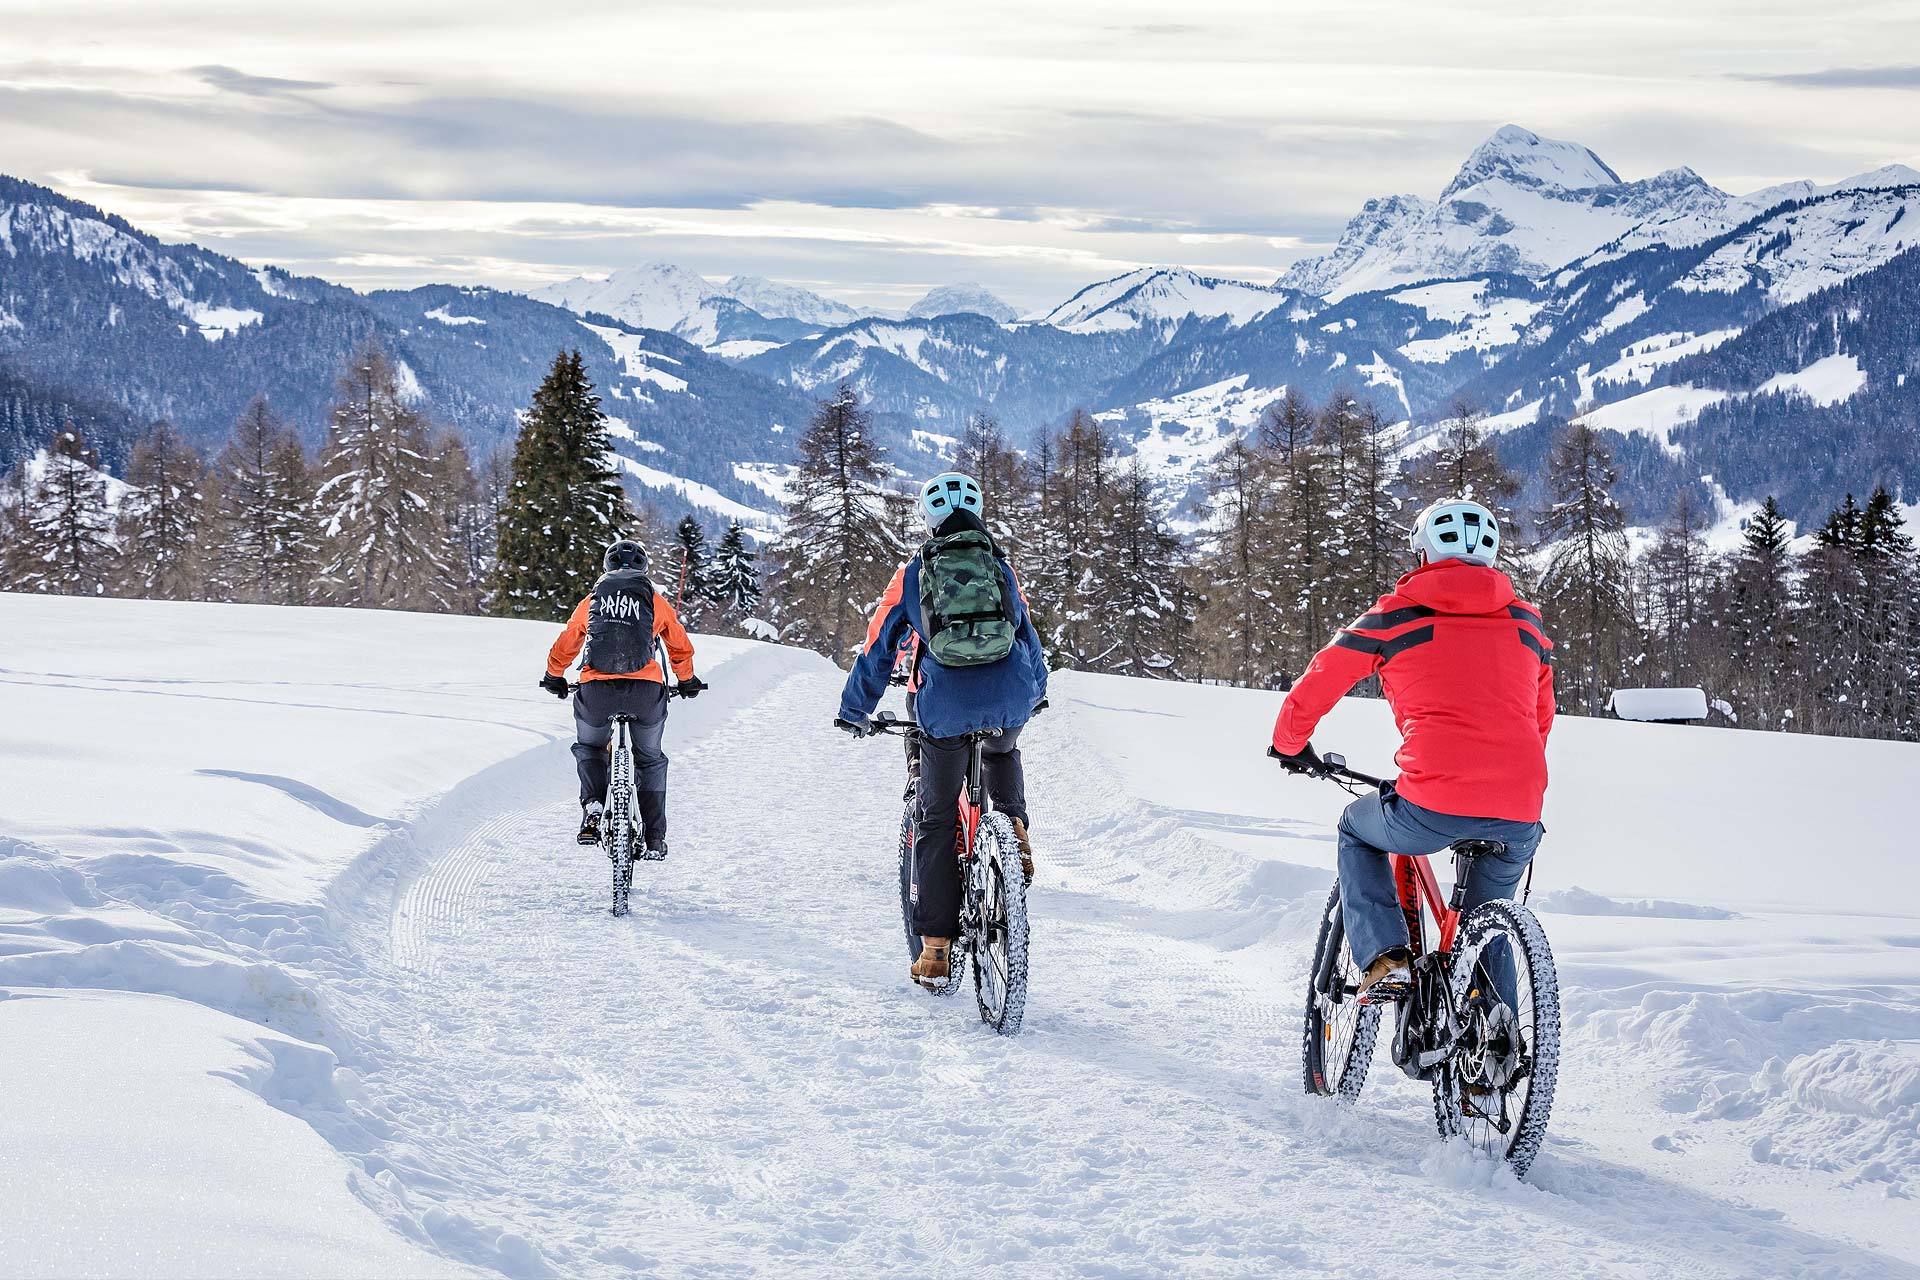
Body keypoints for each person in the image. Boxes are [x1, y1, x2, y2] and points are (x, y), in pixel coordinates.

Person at [1269, 499, 1553, 1001]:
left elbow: (1324, 675)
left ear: (1421, 555)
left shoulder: (1395, 617)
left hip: (1431, 804)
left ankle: (1386, 957)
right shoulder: (1528, 626)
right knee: (1486, 938)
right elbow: (1540, 718)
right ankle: (1494, 1056)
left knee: (1357, 830)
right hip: (1520, 808)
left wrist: (1289, 743)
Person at [835, 472, 1048, 990]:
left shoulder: (914, 572)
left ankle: (934, 949)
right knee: (1002, 747)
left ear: (928, 520)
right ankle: (1013, 831)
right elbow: (1026, 632)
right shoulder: (999, 566)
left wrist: (856, 708)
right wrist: (1035, 691)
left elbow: (879, 645)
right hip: (1008, 695)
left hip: (946, 705)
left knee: (933, 818)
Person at [541, 538, 707, 853]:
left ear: (607, 568)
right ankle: (655, 838)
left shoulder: (591, 601)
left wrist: (554, 675)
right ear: (644, 569)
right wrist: (687, 680)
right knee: (650, 759)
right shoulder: (654, 601)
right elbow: (678, 645)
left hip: (596, 692)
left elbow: (568, 641)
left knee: (590, 747)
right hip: (645, 693)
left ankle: (592, 806)